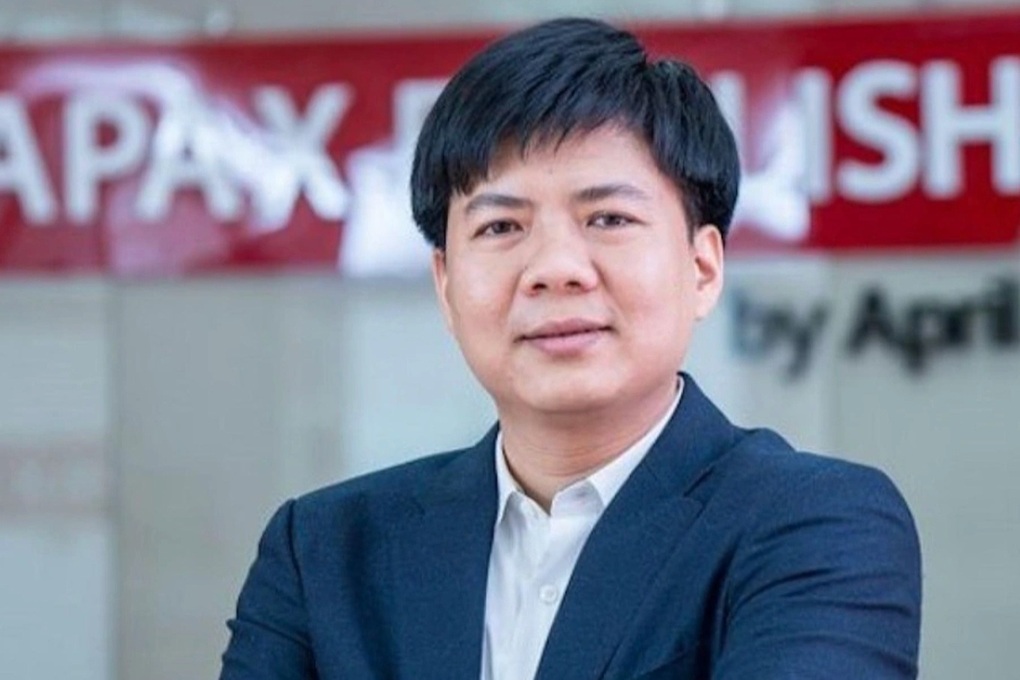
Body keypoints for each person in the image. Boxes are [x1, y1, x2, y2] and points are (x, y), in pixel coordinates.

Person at [220, 18, 922, 680]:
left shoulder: (816, 526)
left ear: (702, 268)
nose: (556, 268)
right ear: (446, 284)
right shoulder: (323, 552)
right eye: (501, 227)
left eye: (608, 218)